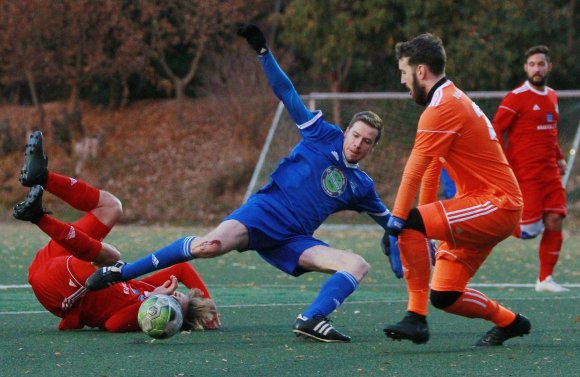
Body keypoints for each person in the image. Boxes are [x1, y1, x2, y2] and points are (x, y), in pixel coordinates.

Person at [86, 24, 395, 343]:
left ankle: (312, 319)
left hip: (294, 239)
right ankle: (120, 272)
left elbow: (392, 222)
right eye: (356, 135)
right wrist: (264, 53)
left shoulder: (362, 186)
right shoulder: (321, 134)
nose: (358, 143)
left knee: (356, 264)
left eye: (367, 141)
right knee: (209, 247)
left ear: (373, 148)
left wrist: (408, 240)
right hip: (264, 213)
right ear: (347, 132)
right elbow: (287, 93)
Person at [382, 33, 531, 346]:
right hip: (486, 205)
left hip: (497, 204)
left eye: (404, 73)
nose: (402, 81)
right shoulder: (449, 99)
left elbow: (414, 170)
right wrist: (426, 229)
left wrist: (396, 222)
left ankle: (415, 318)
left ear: (421, 71)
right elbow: (432, 168)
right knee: (446, 295)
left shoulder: (442, 106)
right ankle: (511, 322)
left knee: (407, 223)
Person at [13, 131, 220, 332]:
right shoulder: (144, 287)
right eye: (176, 296)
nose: (170, 298)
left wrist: (151, 300)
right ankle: (43, 177)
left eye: (174, 307)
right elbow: (183, 269)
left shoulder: (140, 313)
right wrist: (210, 309)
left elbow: (113, 325)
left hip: (62, 288)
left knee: (112, 258)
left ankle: (38, 216)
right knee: (111, 207)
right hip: (51, 263)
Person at [492, 45, 569, 293]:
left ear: (549, 67)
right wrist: (501, 164)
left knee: (556, 219)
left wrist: (559, 158)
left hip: (550, 173)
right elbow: (495, 130)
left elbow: (552, 132)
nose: (537, 69)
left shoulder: (553, 96)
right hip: (525, 174)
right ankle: (490, 218)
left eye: (541, 64)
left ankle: (545, 279)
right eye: (532, 64)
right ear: (526, 68)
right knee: (528, 232)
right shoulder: (516, 97)